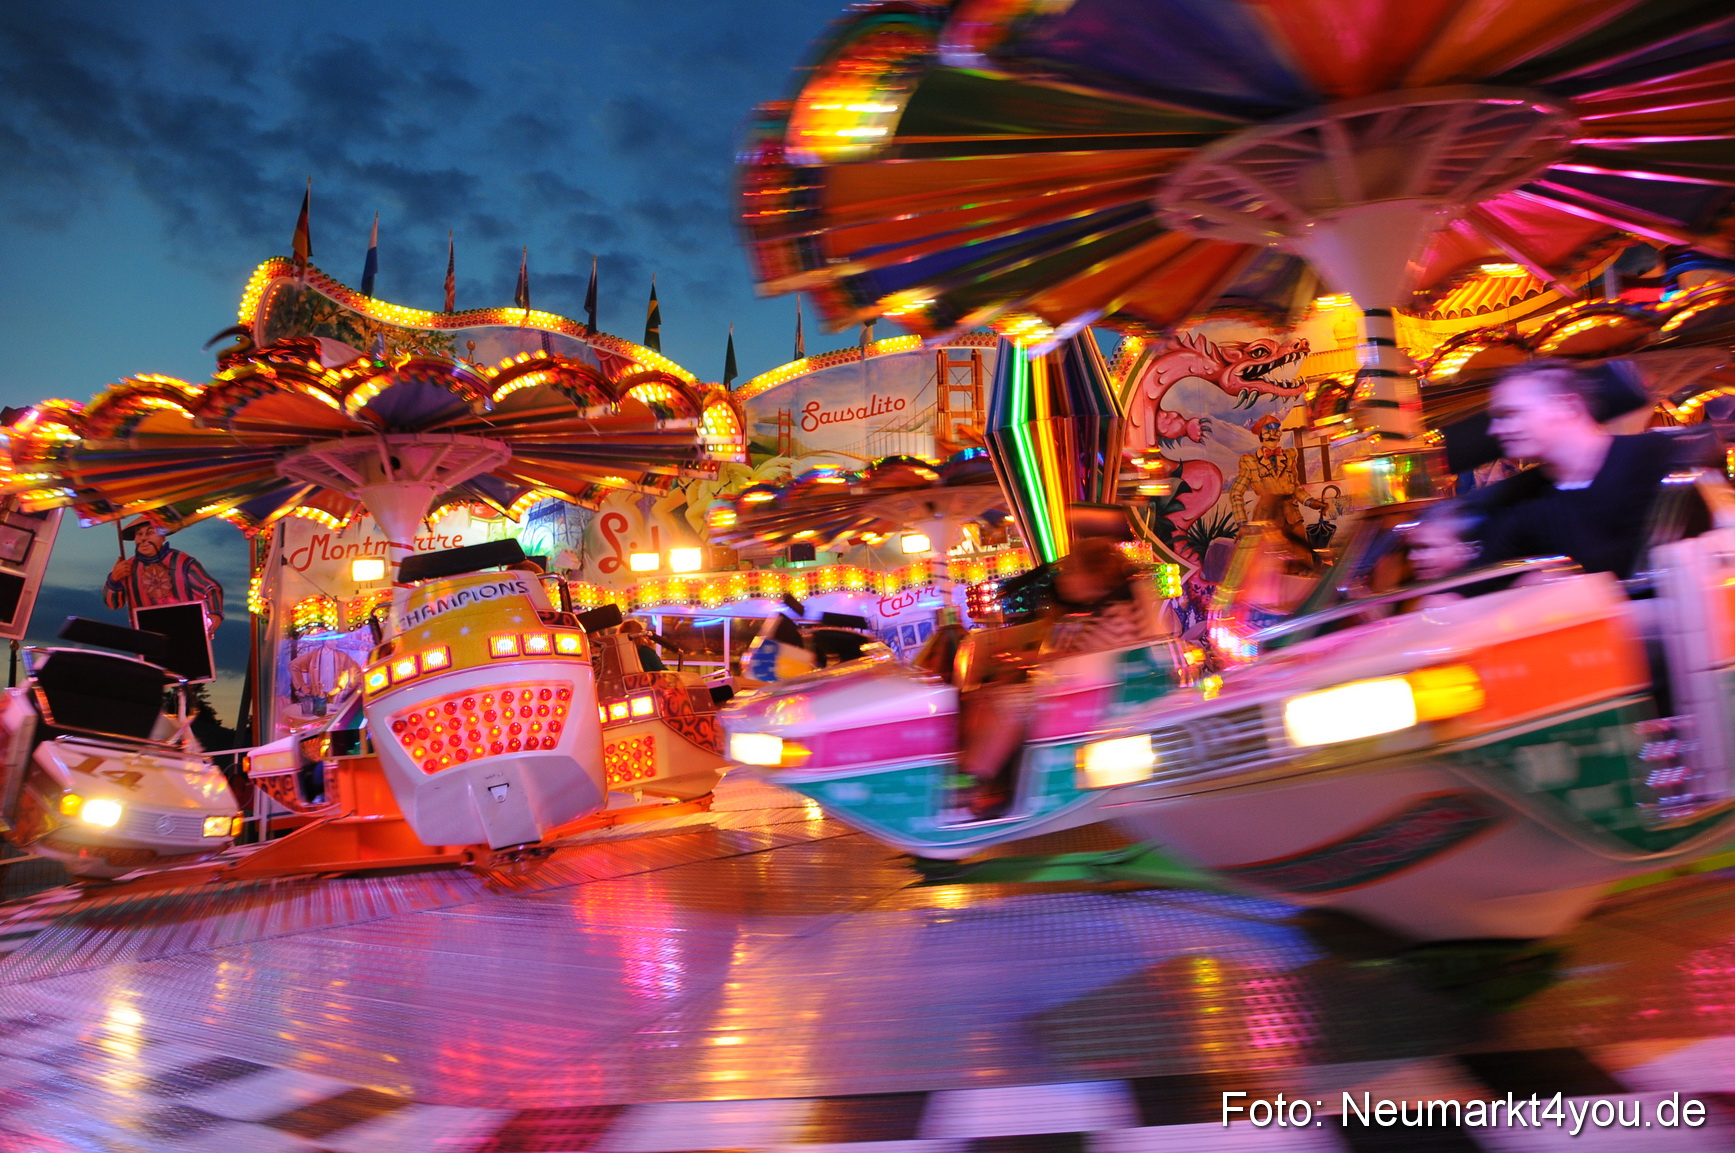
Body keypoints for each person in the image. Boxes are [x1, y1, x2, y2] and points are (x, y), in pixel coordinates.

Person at [1470, 360, 1690, 580]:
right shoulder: (1524, 498)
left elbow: (1656, 564)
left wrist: (1559, 579)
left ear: (1567, 407)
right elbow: (1481, 579)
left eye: (1509, 414)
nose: (1494, 430)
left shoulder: (1653, 457)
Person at [104, 516, 224, 633]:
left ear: (162, 536)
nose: (143, 539)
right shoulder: (128, 567)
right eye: (139, 534)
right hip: (147, 634)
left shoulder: (182, 562)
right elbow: (113, 604)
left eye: (149, 533)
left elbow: (211, 588)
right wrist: (114, 579)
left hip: (187, 631)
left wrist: (215, 613)